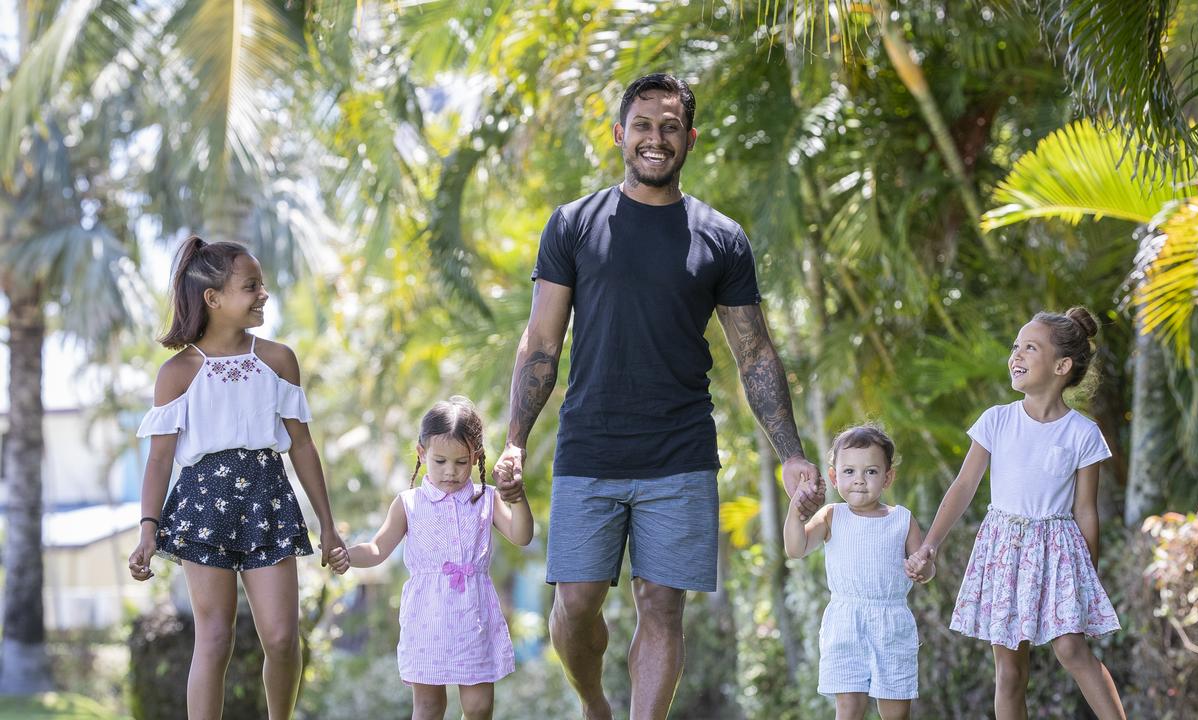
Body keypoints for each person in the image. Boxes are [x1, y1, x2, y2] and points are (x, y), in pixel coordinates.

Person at [490, 72, 825, 720]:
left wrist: (791, 452)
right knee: (577, 602)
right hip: (590, 446)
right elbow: (540, 342)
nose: (655, 138)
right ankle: (594, 702)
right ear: (620, 134)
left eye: (670, 127)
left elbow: (753, 352)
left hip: (681, 451)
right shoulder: (573, 225)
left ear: (689, 140)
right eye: (643, 125)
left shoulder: (720, 237)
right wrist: (513, 439)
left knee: (661, 605)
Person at [127, 235, 345, 719]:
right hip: (202, 507)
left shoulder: (278, 360)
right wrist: (148, 528)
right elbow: (160, 461)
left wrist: (327, 525)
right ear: (214, 298)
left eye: (262, 285)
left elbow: (303, 446)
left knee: (284, 639)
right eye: (251, 286)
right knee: (215, 637)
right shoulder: (177, 372)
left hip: (268, 502)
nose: (263, 294)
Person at [905, 307, 1126, 719]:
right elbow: (964, 486)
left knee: (1071, 647)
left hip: (1059, 553)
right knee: (1009, 671)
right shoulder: (997, 421)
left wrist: (1087, 578)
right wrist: (931, 545)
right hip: (1004, 550)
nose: (1016, 356)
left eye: (1030, 348)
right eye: (1015, 347)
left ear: (1062, 366)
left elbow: (1086, 511)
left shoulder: (1083, 433)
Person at [326, 396, 532, 720]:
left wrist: (517, 499)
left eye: (461, 462)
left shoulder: (486, 499)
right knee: (429, 707)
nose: (451, 471)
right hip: (427, 618)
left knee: (479, 707)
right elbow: (378, 548)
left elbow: (522, 536)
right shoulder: (408, 503)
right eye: (440, 461)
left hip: (474, 616)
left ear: (476, 456)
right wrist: (349, 556)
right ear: (422, 454)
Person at [784, 425, 932, 720]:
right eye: (849, 472)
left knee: (895, 712)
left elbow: (925, 568)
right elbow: (796, 548)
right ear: (834, 477)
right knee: (849, 708)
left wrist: (922, 567)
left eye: (872, 472)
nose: (860, 481)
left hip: (892, 624)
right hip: (845, 622)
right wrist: (795, 511)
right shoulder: (831, 515)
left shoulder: (902, 519)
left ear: (888, 477)